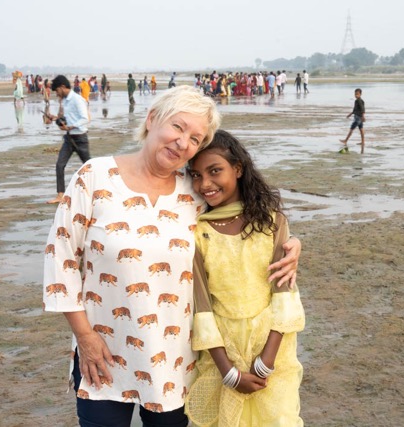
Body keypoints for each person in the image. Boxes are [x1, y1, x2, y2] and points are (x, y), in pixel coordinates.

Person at [42, 86, 302, 427]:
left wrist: (292, 242)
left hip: (173, 361)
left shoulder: (194, 192)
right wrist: (85, 338)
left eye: (195, 138)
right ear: (152, 119)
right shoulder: (94, 177)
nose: (183, 143)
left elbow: (243, 226)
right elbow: (60, 259)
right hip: (102, 353)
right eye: (178, 128)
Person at [185, 130, 304, 426]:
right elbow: (202, 305)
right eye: (196, 175)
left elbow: (284, 292)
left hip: (273, 347)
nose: (205, 184)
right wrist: (228, 371)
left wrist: (267, 360)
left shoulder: (272, 221)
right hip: (222, 350)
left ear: (237, 169)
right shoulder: (197, 232)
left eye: (215, 171)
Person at [45, 75, 91, 205]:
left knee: (89, 167)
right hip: (68, 138)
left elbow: (85, 118)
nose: (57, 93)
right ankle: (60, 195)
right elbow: (67, 117)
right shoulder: (65, 101)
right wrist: (56, 119)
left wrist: (71, 126)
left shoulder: (77, 100)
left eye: (57, 91)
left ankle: (97, 190)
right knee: (60, 165)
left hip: (80, 138)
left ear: (63, 87)